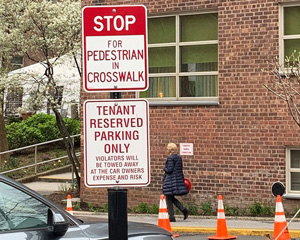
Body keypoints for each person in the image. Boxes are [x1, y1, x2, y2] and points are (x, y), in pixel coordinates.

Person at [162, 143, 189, 222]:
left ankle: (172, 217)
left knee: (168, 197)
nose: (167, 150)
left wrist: (164, 168)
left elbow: (169, 170)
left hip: (170, 180)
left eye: (167, 149)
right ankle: (183, 210)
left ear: (170, 150)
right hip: (177, 180)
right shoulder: (179, 158)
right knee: (170, 197)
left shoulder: (170, 158)